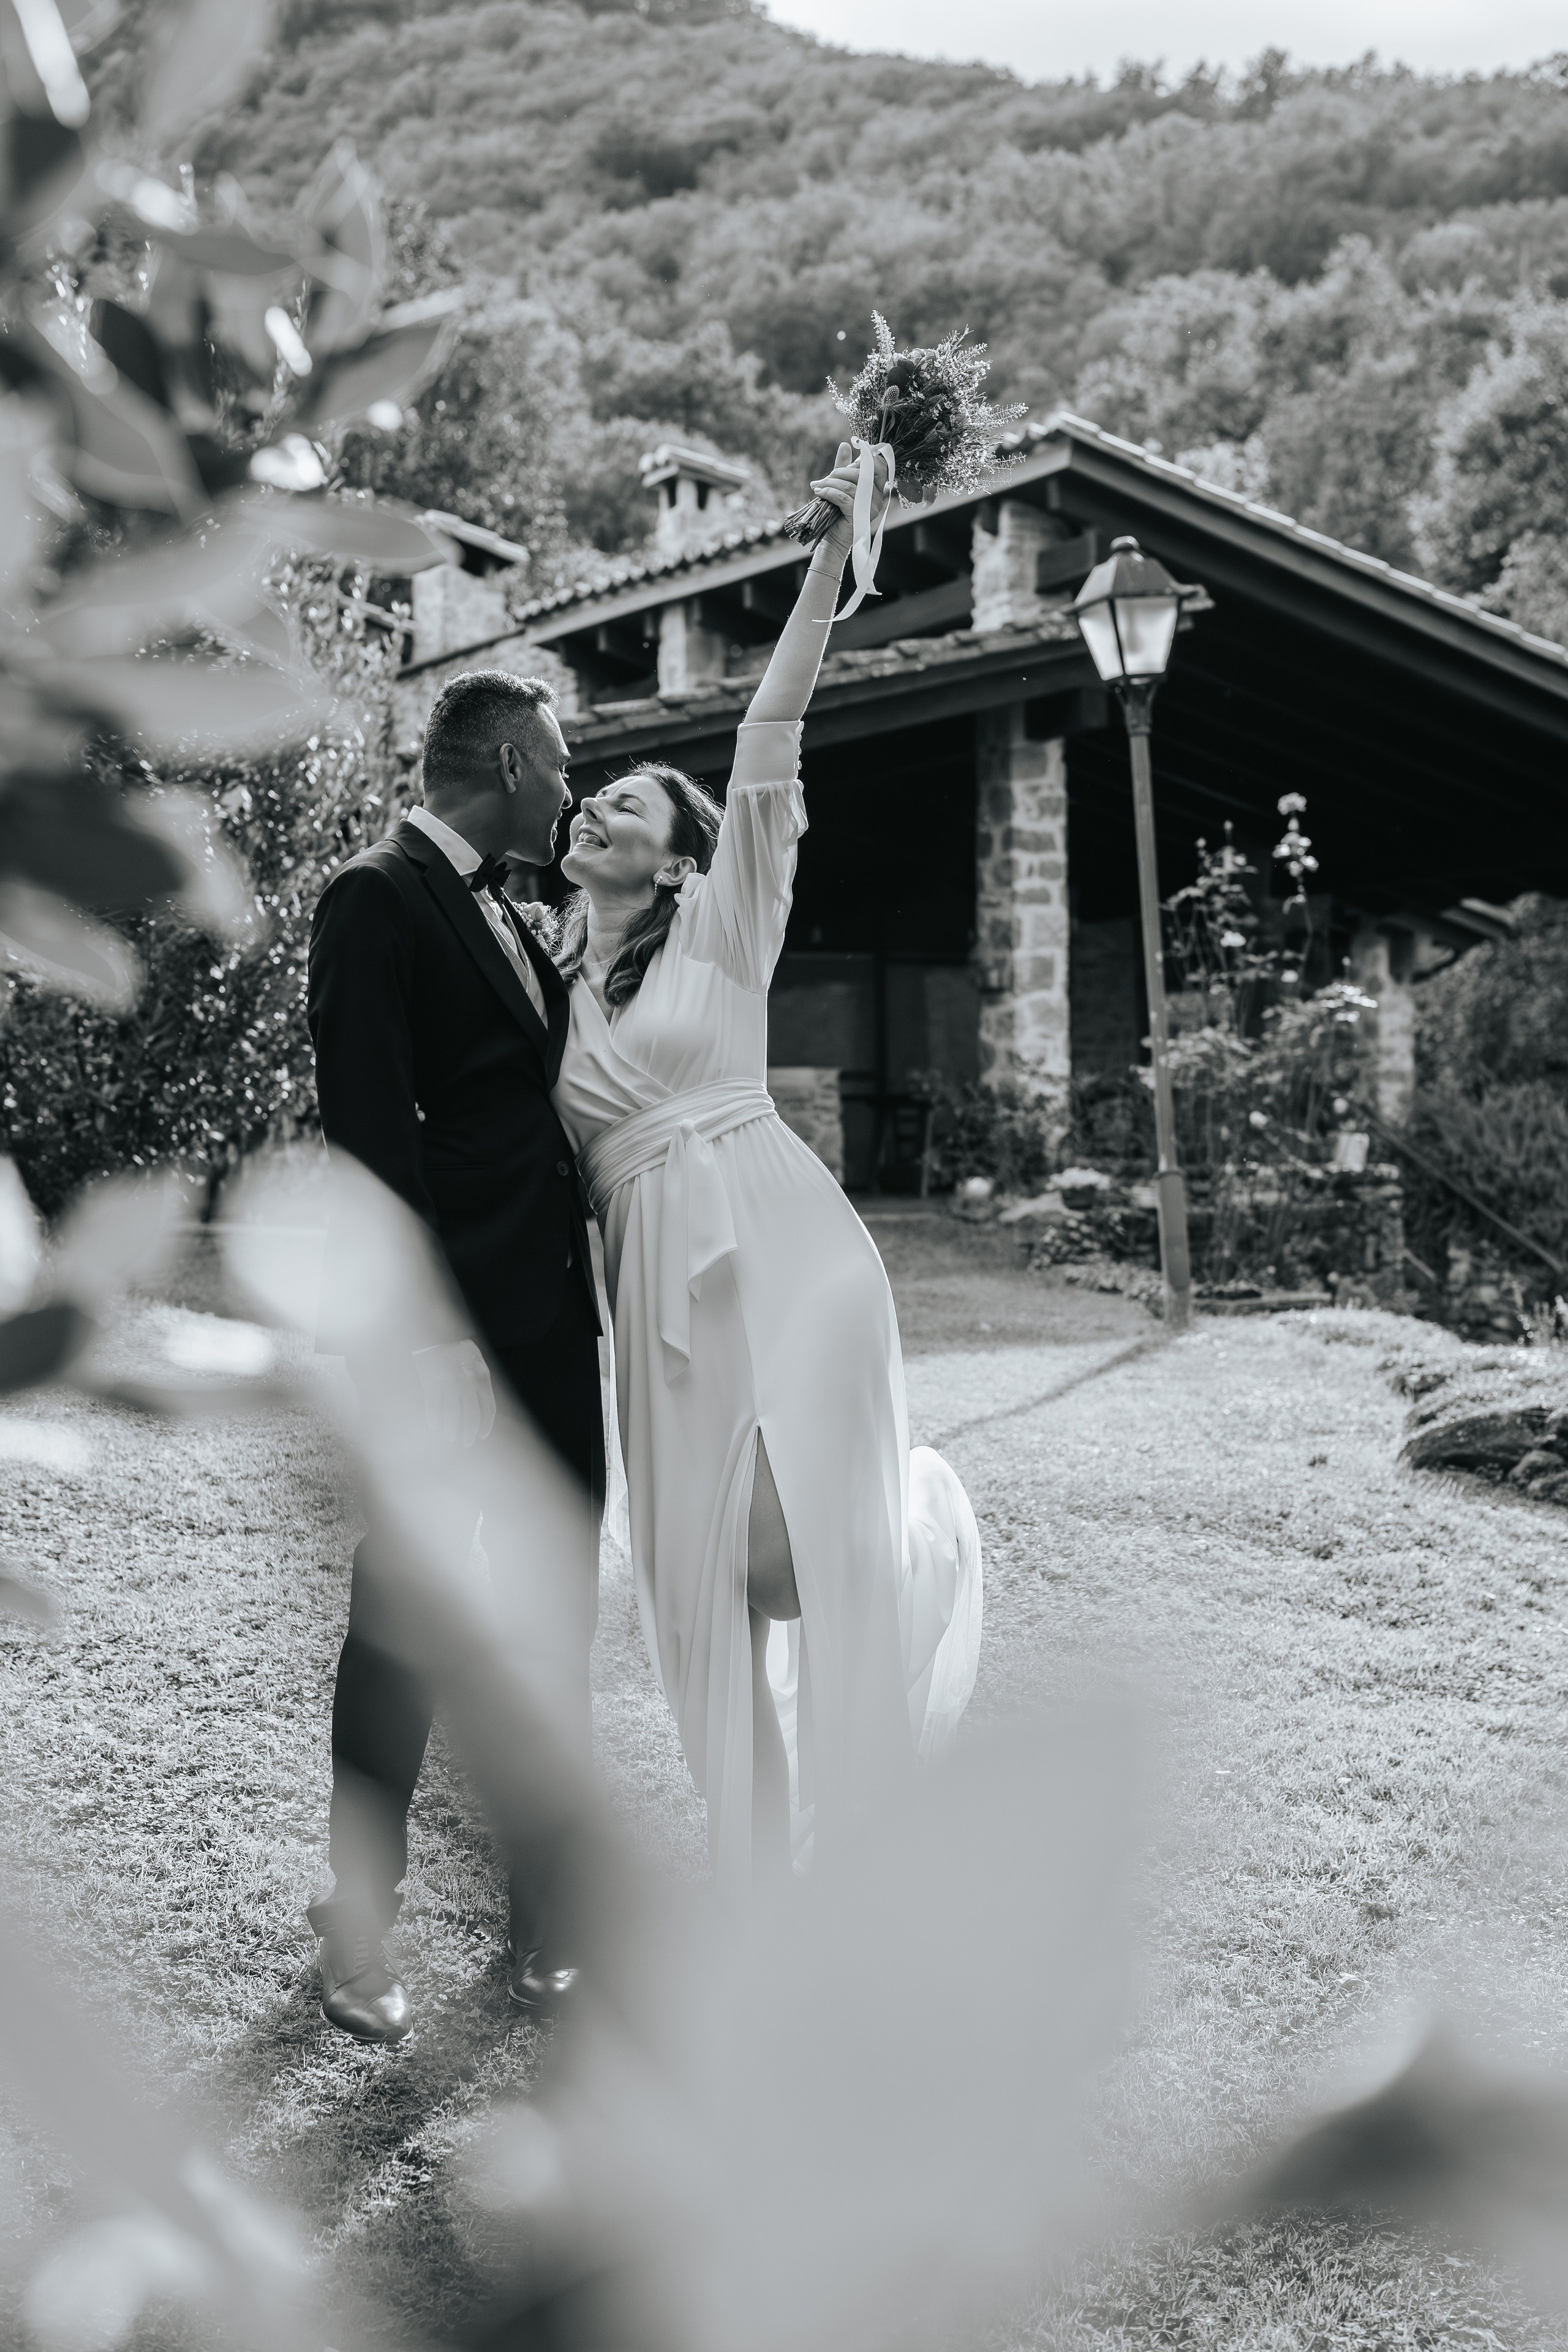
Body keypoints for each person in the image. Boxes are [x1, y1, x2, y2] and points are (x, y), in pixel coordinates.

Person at [550, 443, 982, 1885]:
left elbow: (767, 734)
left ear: (682, 860)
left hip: (784, 1248)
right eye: (590, 800)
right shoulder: (542, 986)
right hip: (649, 1290)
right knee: (697, 1600)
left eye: (629, 803)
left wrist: (824, 566)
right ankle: (752, 1891)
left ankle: (857, 1843)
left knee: (802, 1571)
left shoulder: (720, 930)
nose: (599, 806)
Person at [306, 671, 605, 2038]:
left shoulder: (514, 910)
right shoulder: (376, 896)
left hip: (554, 1328)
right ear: (498, 759)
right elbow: (368, 1133)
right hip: (449, 1338)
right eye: (557, 763)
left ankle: (542, 1923)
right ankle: (357, 1924)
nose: (572, 785)